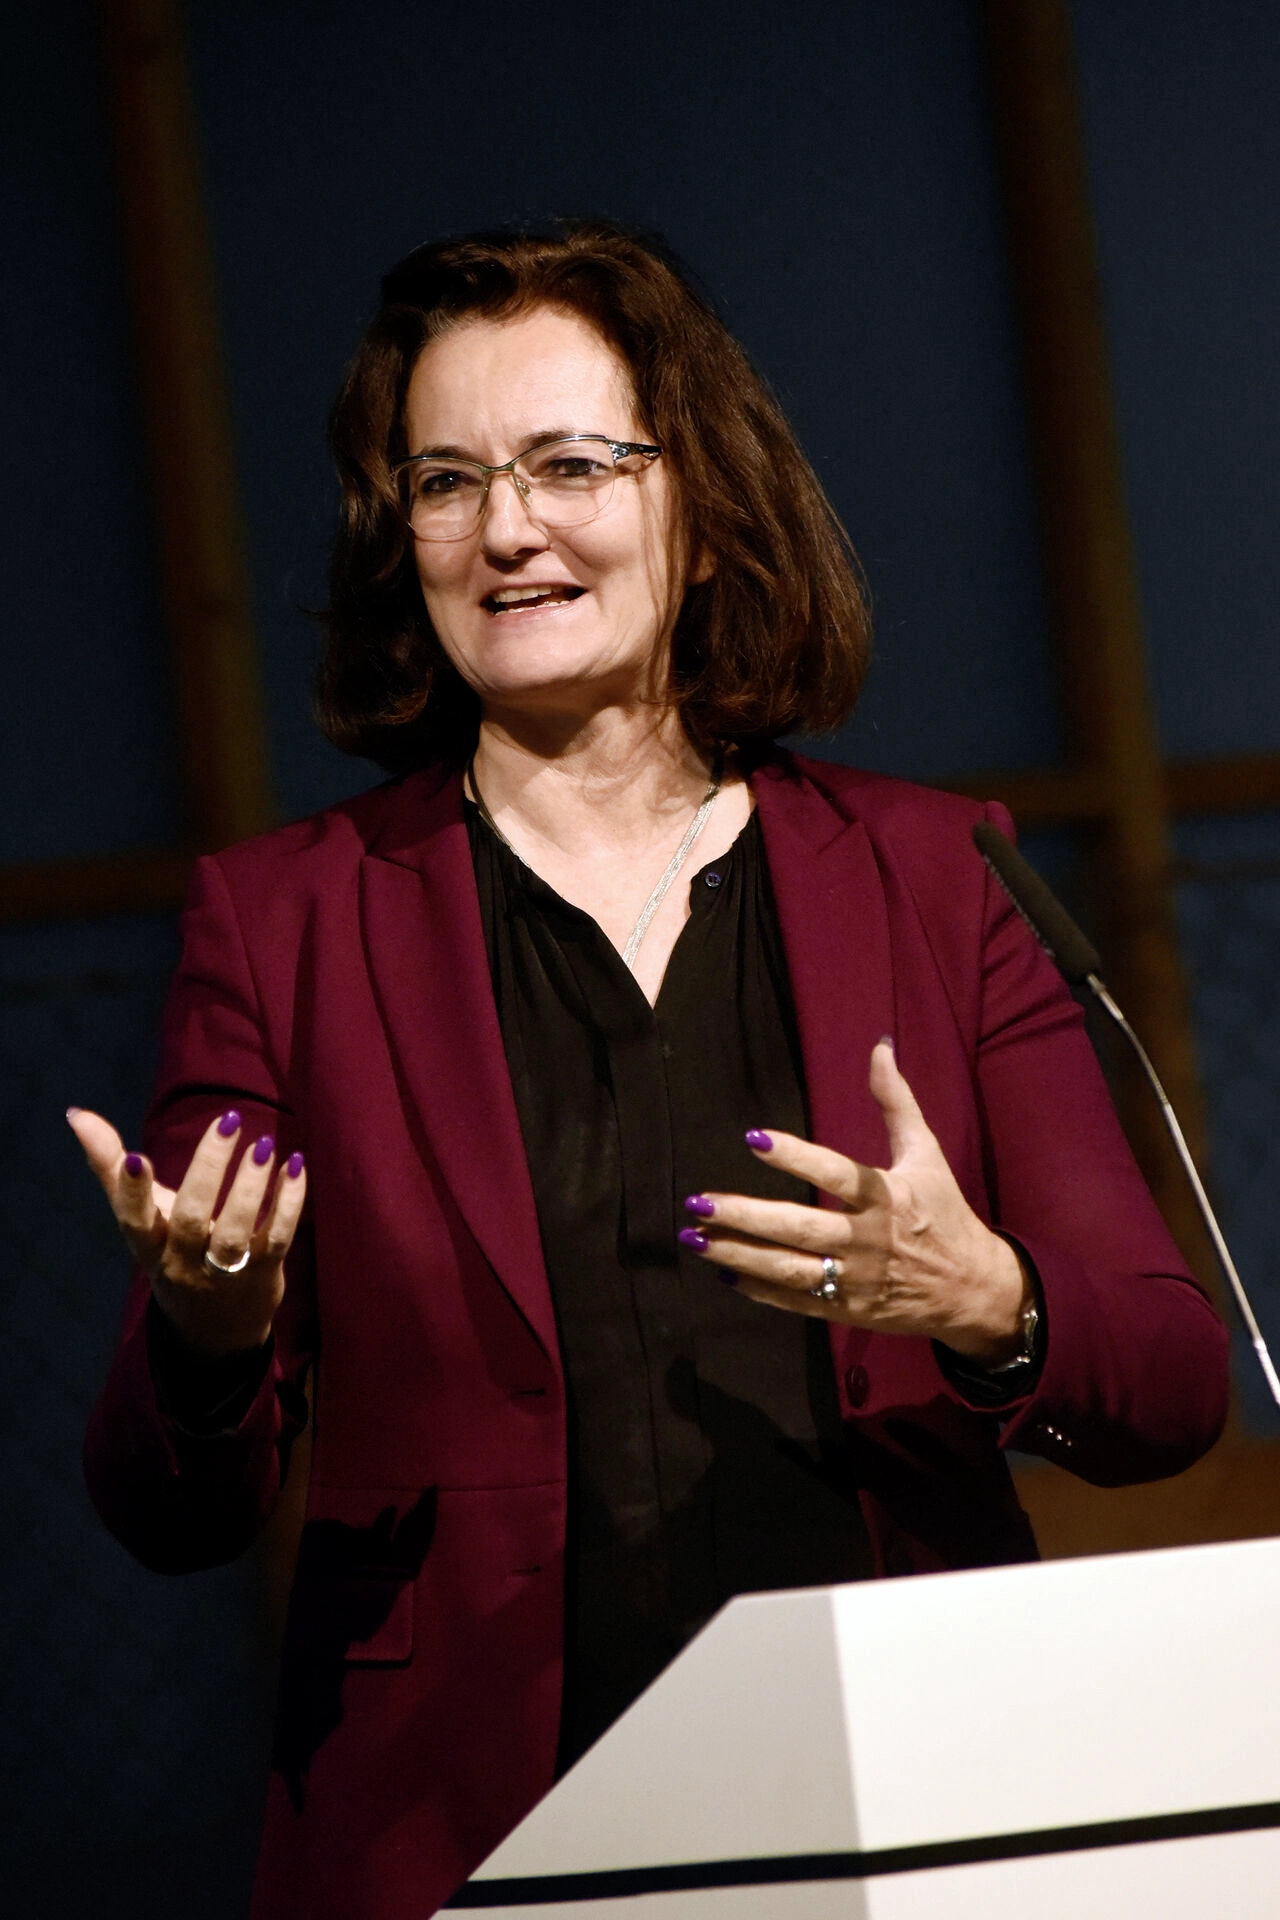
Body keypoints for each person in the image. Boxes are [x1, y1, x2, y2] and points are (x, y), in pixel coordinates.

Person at [73, 222, 1229, 1920]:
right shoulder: (288, 925)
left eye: (568, 465)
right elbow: (166, 1511)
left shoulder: (939, 878)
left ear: (701, 503)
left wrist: (988, 1301)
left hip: (916, 1798)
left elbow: (1170, 1390)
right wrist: (209, 1335)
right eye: (447, 481)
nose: (507, 528)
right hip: (468, 1829)